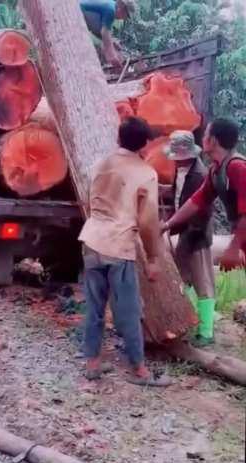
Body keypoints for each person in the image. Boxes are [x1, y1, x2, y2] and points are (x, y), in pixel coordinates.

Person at [79, 117, 171, 386]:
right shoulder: (145, 173)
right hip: (118, 246)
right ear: (144, 144)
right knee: (129, 310)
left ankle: (92, 363)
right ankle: (140, 371)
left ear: (119, 138)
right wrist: (153, 258)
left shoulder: (97, 165)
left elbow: (90, 198)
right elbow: (147, 221)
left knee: (94, 308)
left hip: (92, 240)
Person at [162, 118, 246, 272]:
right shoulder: (216, 170)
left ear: (213, 141)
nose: (202, 139)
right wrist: (167, 225)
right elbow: (197, 200)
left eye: (205, 134)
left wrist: (234, 247)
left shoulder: (238, 168)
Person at [163, 130, 215, 346]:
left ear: (187, 154)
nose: (174, 161)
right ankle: (187, 320)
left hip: (196, 233)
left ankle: (207, 331)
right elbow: (177, 194)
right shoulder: (182, 171)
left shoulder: (200, 176)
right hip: (184, 231)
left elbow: (201, 211)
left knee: (203, 281)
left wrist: (174, 226)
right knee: (183, 278)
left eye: (177, 156)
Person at [79, 0, 135, 66]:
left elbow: (102, 30)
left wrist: (112, 41)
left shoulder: (111, 5)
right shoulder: (111, 9)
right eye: (126, 15)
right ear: (122, 8)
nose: (123, 18)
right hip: (78, 11)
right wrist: (112, 56)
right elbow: (105, 33)